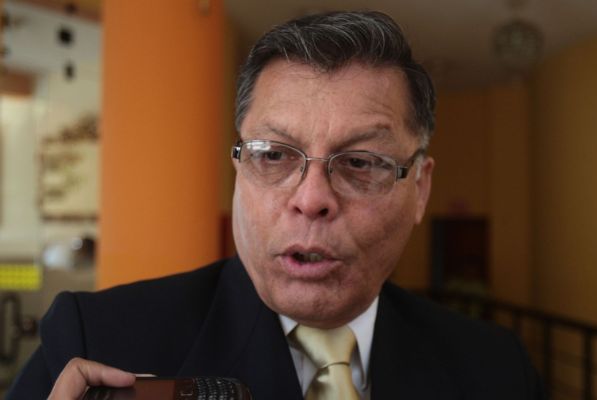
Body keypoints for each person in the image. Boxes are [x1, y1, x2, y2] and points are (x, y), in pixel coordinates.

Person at [7, 11, 545, 400]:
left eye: (361, 162)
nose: (311, 199)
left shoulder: (497, 368)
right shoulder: (96, 343)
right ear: (239, 168)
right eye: (273, 155)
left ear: (420, 189)